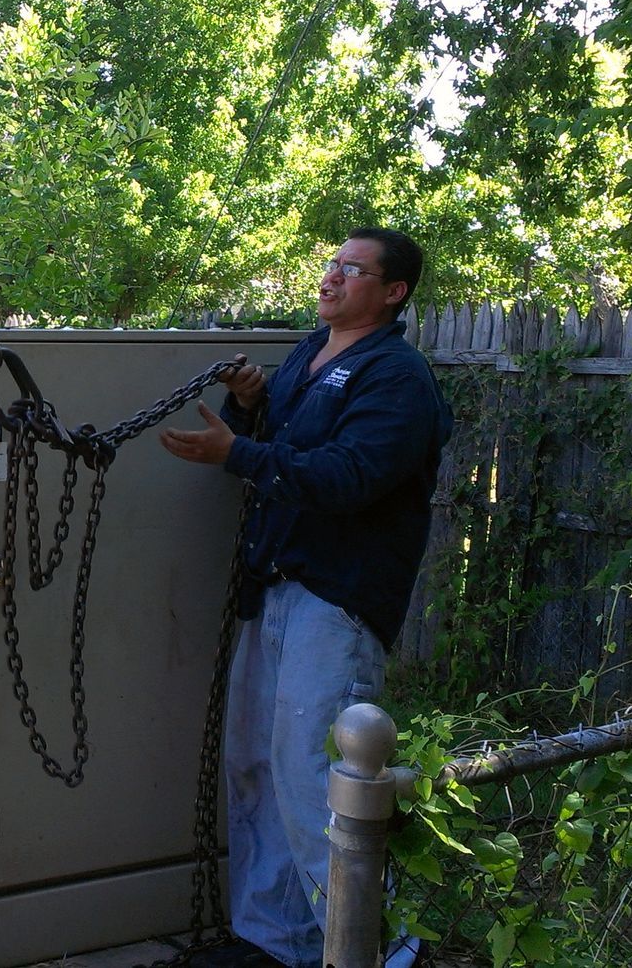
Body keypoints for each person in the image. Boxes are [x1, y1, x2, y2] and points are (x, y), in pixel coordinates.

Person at [158, 227, 451, 968]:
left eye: (354, 270)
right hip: (275, 583)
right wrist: (255, 409)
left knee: (317, 779)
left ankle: (381, 954)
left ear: (393, 292)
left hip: (336, 597)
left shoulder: (397, 377)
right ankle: (274, 943)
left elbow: (347, 478)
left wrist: (239, 451)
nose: (332, 277)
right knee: (255, 761)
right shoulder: (306, 357)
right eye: (331, 264)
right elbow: (286, 452)